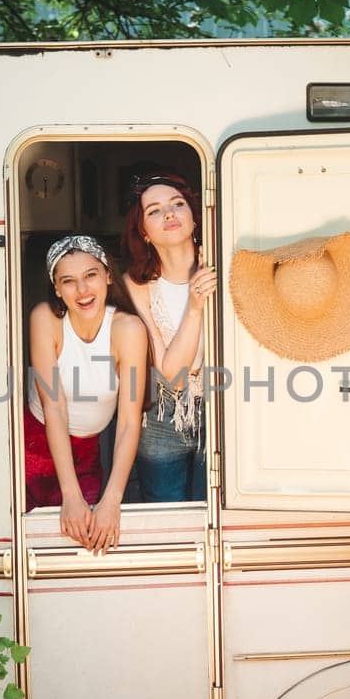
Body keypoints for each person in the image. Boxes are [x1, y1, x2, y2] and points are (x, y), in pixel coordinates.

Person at [26, 235, 147, 553]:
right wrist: (71, 494)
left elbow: (129, 422)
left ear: (108, 275)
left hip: (88, 448)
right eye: (69, 281)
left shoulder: (128, 329)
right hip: (35, 441)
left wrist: (112, 499)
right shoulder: (45, 319)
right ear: (56, 288)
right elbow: (54, 408)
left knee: (92, 536)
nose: (82, 291)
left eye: (90, 275)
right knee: (40, 537)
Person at [120, 169, 216, 502]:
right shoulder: (137, 285)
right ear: (143, 232)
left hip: (223, 408)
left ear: (194, 217)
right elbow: (173, 377)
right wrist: (195, 306)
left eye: (177, 204)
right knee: (166, 513)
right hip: (162, 417)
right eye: (154, 210)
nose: (169, 214)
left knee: (220, 508)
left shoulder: (221, 268)